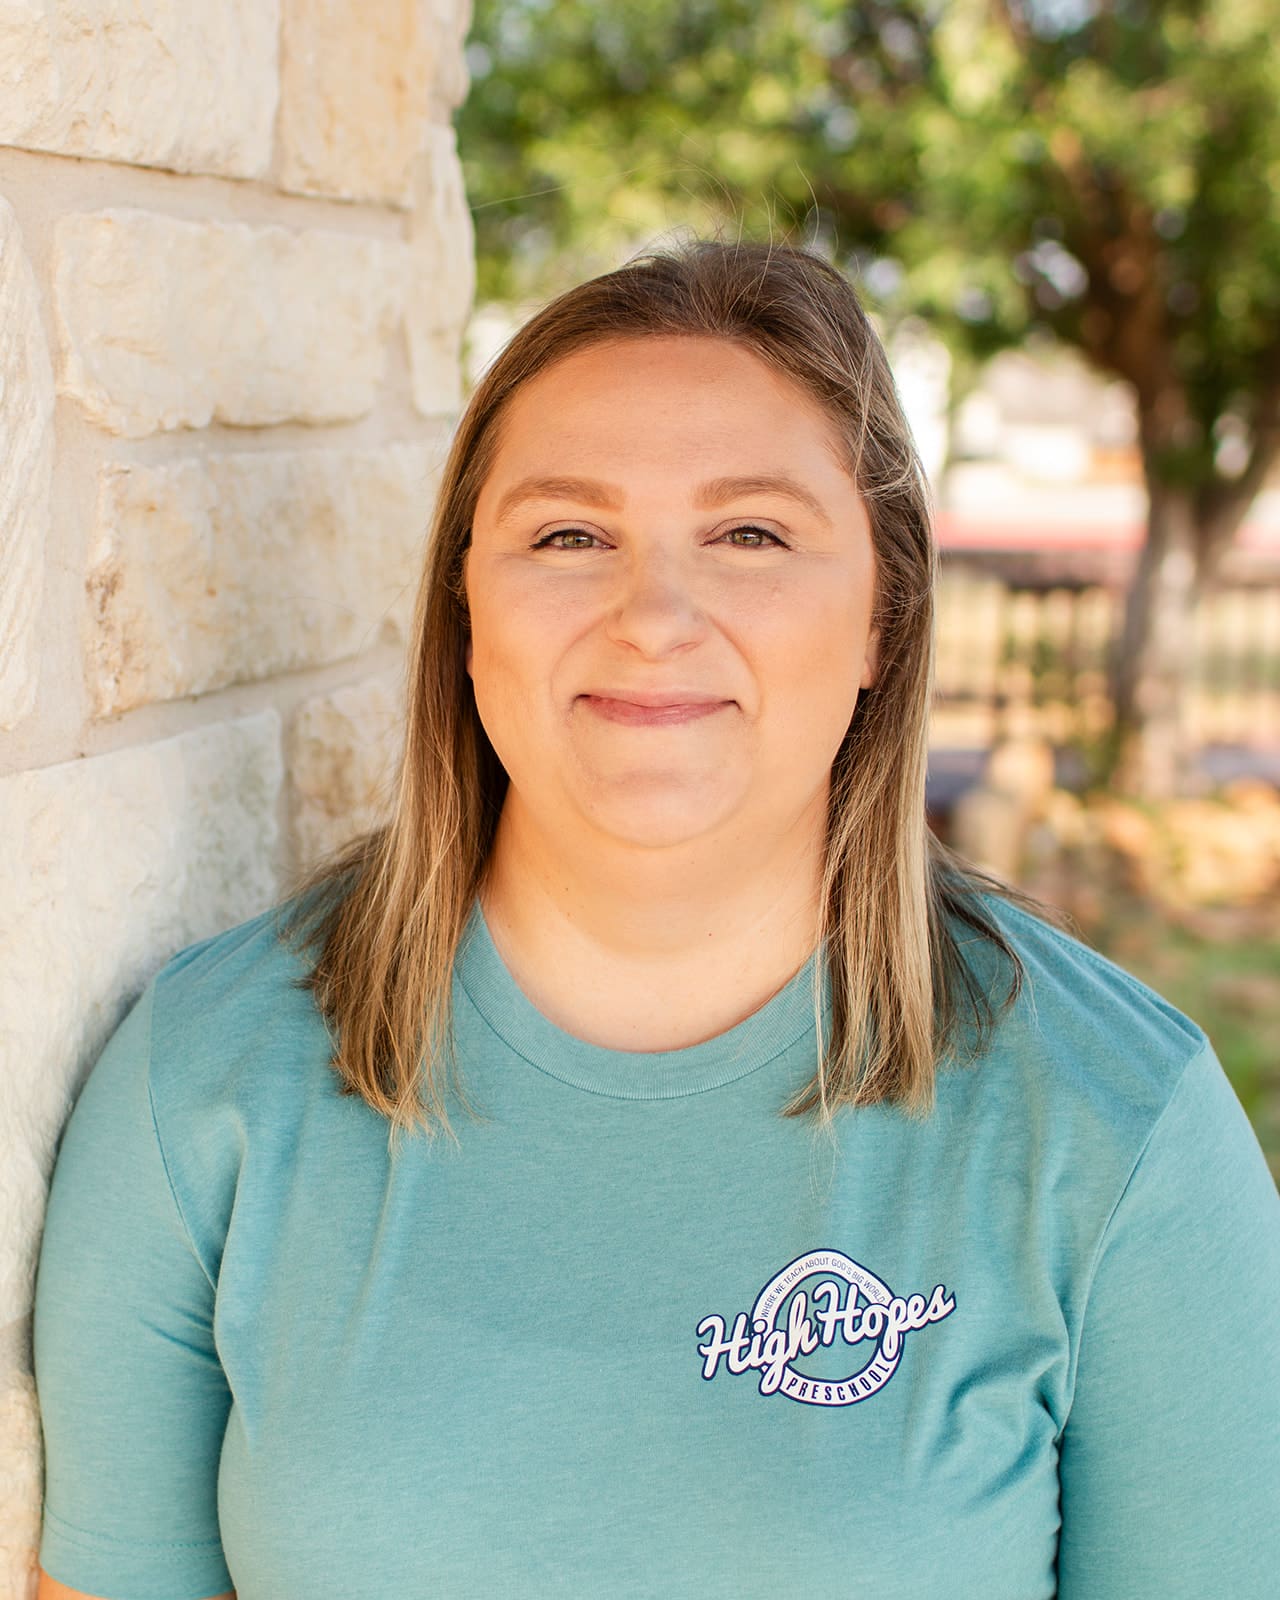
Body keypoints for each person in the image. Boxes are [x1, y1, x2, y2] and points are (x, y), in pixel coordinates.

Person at [33, 238, 1280, 1600]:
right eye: (570, 534)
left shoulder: (1118, 1130)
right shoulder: (204, 1087)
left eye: (751, 533)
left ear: (883, 615)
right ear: (465, 607)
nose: (655, 615)